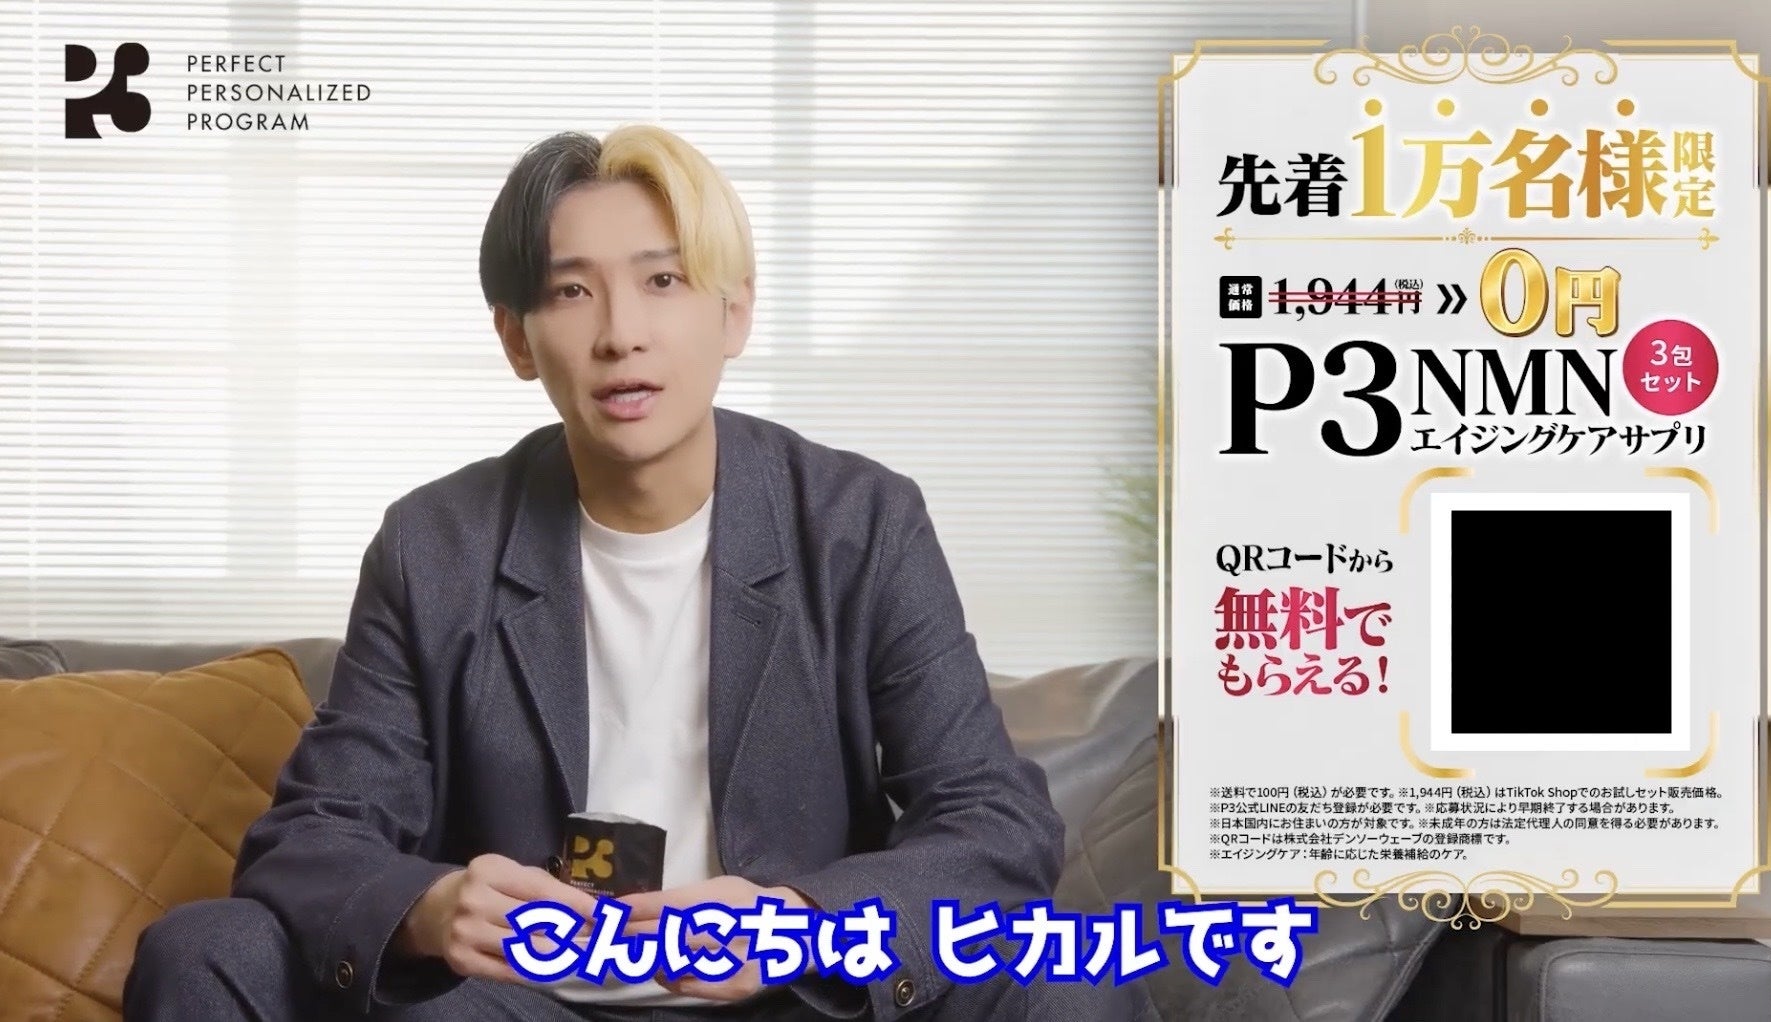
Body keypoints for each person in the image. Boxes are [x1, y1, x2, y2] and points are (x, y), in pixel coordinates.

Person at [121, 125, 1144, 1022]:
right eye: (572, 291)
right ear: (517, 338)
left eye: (663, 280)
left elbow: (992, 819)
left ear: (733, 313)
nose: (621, 333)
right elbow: (313, 832)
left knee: (1075, 979)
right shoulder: (434, 545)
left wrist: (803, 924)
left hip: (794, 997)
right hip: (515, 1005)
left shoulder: (859, 521)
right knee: (208, 948)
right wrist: (429, 908)